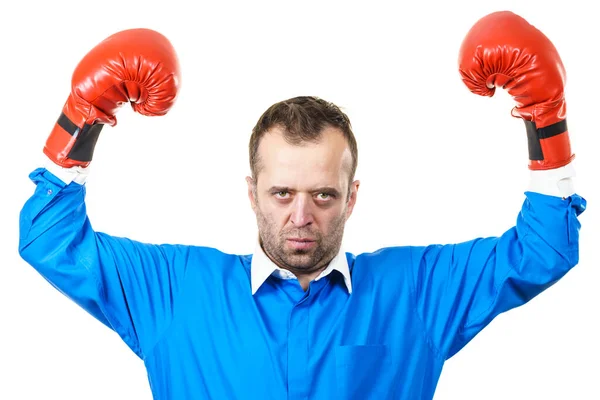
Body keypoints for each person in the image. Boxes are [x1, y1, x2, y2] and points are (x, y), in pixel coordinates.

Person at [18, 11, 586, 400]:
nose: (300, 215)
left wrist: (546, 118)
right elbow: (47, 240)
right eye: (282, 193)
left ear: (352, 197)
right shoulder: (175, 289)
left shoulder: (414, 289)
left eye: (323, 195)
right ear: (252, 193)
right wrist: (82, 115)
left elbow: (542, 250)